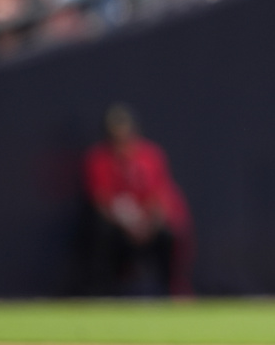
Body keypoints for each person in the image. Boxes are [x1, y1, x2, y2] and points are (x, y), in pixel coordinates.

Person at [83, 103, 195, 296]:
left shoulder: (151, 155)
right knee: (100, 232)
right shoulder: (99, 158)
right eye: (115, 131)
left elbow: (160, 197)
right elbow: (101, 201)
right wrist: (128, 225)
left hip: (148, 225)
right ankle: (101, 294)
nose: (121, 136)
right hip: (118, 226)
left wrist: (147, 226)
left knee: (170, 232)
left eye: (125, 129)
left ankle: (174, 291)